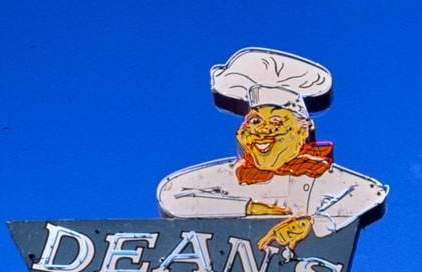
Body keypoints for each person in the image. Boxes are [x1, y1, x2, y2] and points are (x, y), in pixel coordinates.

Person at [157, 47, 388, 251]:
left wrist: (314, 222)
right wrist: (250, 208)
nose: (263, 131)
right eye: (255, 121)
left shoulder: (324, 175)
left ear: (304, 129)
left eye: (277, 122)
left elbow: (371, 191)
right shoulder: (230, 175)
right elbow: (171, 195)